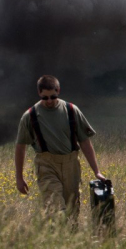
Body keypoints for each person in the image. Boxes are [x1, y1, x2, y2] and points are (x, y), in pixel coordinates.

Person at [14, 75, 106, 222]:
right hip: (46, 165)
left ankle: (68, 240)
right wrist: (19, 177)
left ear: (58, 91)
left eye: (53, 96)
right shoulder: (30, 116)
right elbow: (20, 147)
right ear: (39, 93)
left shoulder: (71, 110)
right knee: (56, 208)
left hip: (71, 164)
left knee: (72, 211)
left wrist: (97, 171)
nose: (49, 101)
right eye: (45, 97)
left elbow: (85, 142)